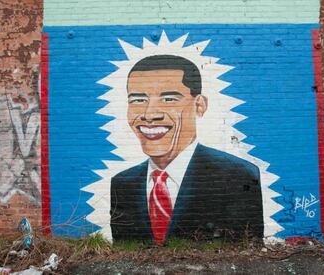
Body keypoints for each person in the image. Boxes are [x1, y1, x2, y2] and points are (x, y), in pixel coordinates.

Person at [110, 55, 263, 244]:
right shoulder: (122, 184)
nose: (149, 114)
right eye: (138, 100)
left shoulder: (238, 176)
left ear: (199, 105)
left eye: (168, 99)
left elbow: (245, 251)